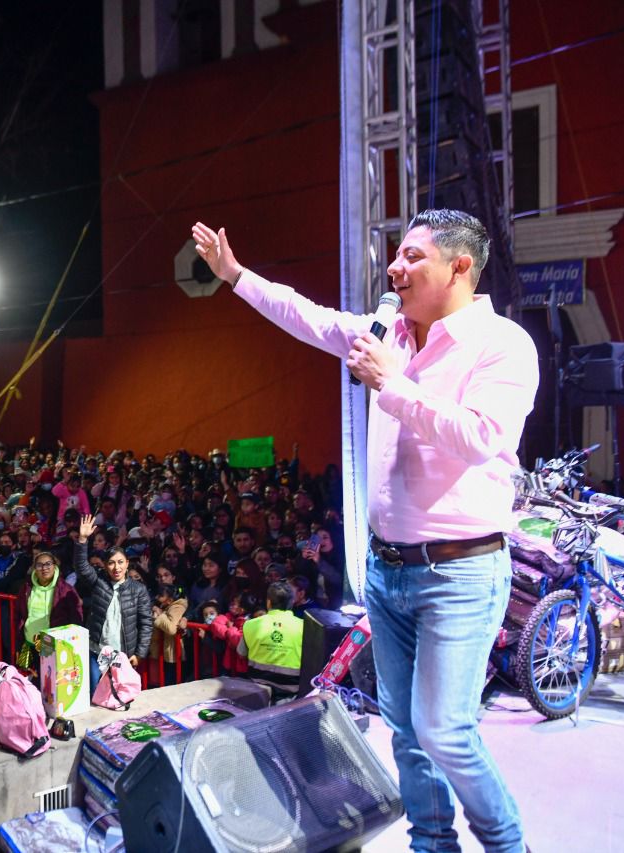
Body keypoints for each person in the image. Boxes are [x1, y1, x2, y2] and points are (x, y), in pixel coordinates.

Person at [194, 208, 535, 851]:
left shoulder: (502, 345)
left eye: (412, 257)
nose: (395, 268)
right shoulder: (390, 335)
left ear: (459, 267)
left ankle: (505, 843)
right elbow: (309, 317)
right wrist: (235, 275)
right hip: (387, 570)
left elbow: (481, 438)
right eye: (395, 255)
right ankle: (432, 842)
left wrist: (392, 383)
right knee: (405, 729)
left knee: (446, 731)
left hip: (459, 571)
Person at [73, 517, 153, 693]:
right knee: (96, 693)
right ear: (105, 566)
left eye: (120, 562)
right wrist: (82, 540)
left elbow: (147, 623)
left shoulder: (138, 590)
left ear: (127, 564)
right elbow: (81, 567)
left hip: (124, 655)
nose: (116, 567)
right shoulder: (99, 582)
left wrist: (139, 653)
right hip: (96, 651)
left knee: (119, 696)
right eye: (111, 562)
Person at [13, 550, 84, 671]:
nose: (44, 568)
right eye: (39, 565)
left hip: (53, 645)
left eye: (48, 564)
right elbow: (18, 613)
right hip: (29, 642)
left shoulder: (66, 589)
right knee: (29, 680)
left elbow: (76, 617)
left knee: (49, 682)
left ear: (54, 566)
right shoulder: (27, 588)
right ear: (34, 568)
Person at [237, 582, 304, 703]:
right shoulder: (304, 627)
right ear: (292, 602)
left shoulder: (250, 624)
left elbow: (241, 653)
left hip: (257, 689)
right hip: (290, 692)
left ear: (268, 602)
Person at [149, 583, 188, 685]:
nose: (157, 598)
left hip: (175, 654)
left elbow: (171, 629)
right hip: (167, 651)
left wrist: (160, 614)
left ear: (170, 600)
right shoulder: (165, 605)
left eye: (161, 596)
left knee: (172, 682)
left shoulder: (177, 607)